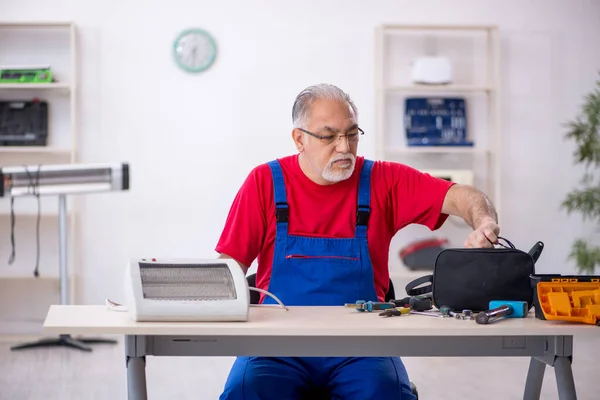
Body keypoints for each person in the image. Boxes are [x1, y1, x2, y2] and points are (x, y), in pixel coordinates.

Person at [215, 83, 500, 400]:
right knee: (246, 393)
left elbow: (462, 196)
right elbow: (229, 268)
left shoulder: (383, 180)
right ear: (299, 139)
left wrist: (485, 222)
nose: (344, 147)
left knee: (386, 393)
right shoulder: (264, 182)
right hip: (276, 346)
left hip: (364, 346)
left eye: (352, 134)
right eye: (329, 135)